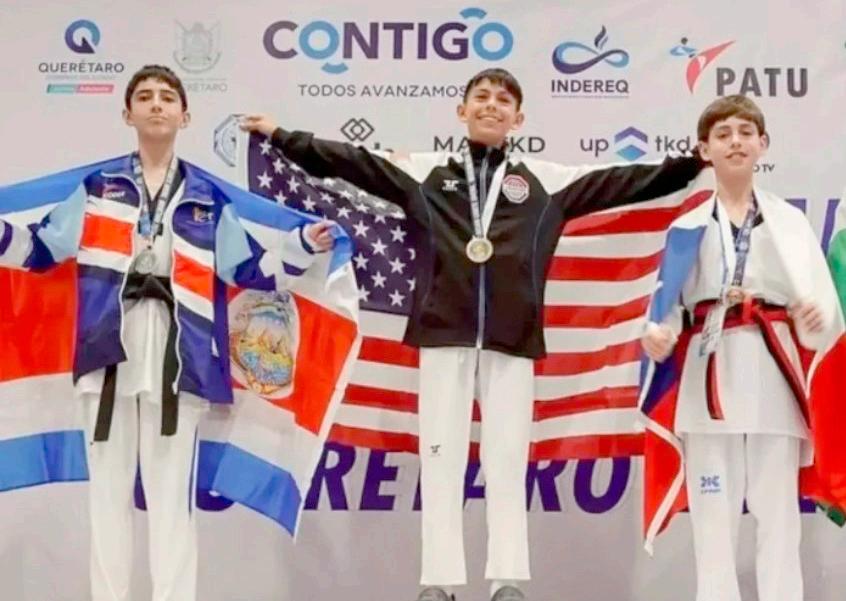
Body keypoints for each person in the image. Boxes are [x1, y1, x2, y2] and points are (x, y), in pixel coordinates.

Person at [241, 67, 703, 601]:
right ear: (462, 111)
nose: (491, 105)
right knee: (441, 457)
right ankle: (438, 581)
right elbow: (352, 162)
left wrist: (693, 163)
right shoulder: (424, 172)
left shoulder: (547, 181)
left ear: (518, 119)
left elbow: (625, 181)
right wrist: (282, 137)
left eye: (503, 100)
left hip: (513, 339)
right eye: (480, 97)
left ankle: (507, 580)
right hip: (442, 334)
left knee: (507, 459)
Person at [0, 64, 333, 601]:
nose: (156, 104)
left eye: (167, 97)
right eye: (145, 97)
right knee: (107, 500)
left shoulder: (206, 196)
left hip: (182, 362)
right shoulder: (97, 188)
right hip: (107, 358)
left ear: (185, 115)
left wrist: (302, 246)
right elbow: (41, 251)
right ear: (127, 114)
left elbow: (247, 270)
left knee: (172, 501)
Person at [640, 94, 838, 601]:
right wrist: (659, 331)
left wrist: (812, 317)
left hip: (772, 371)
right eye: (723, 134)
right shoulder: (686, 225)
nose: (735, 142)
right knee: (713, 514)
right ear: (704, 149)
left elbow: (820, 307)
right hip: (708, 373)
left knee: (778, 512)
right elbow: (668, 304)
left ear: (762, 144)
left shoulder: (789, 222)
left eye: (745, 133)